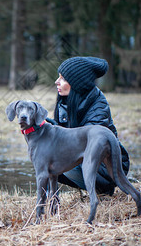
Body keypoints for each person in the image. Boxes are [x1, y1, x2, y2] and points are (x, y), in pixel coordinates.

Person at [47, 56, 130, 196]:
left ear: (78, 84)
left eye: (63, 78)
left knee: (61, 161)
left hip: (107, 166)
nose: (57, 82)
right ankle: (51, 199)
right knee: (43, 155)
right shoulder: (65, 101)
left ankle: (104, 189)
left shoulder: (98, 106)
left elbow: (86, 144)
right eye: (58, 77)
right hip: (81, 159)